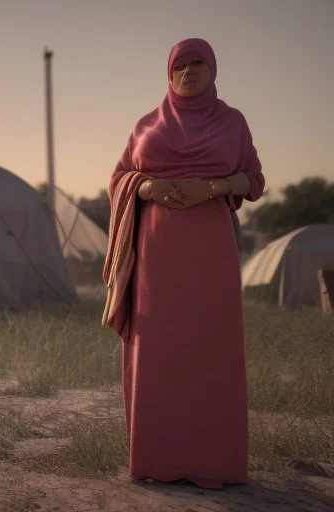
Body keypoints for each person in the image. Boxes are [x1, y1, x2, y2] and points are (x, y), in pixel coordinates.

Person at [102, 38, 265, 490]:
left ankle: (216, 465)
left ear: (213, 71)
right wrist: (148, 188)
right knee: (158, 351)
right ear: (168, 74)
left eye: (198, 63)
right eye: (181, 65)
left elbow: (253, 179)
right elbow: (118, 177)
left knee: (211, 349)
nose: (189, 71)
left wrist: (209, 188)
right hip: (155, 257)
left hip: (210, 251)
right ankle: (158, 460)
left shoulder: (232, 123)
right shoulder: (147, 124)